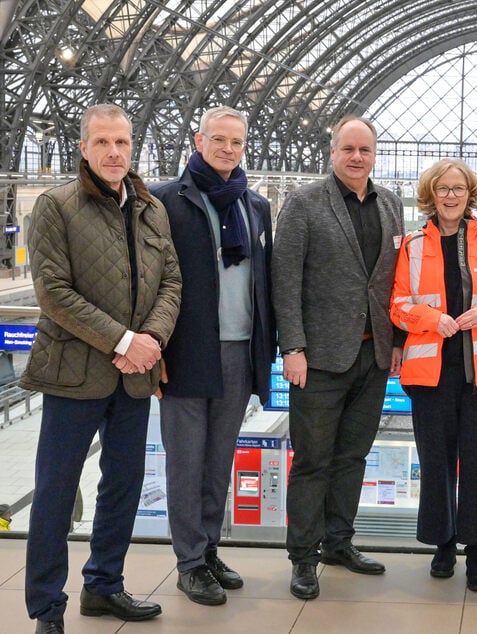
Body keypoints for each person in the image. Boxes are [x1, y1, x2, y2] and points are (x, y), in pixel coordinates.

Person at [21, 104, 181, 634]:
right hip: (73, 374)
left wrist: (151, 339)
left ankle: (104, 586)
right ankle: (47, 607)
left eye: (123, 143)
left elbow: (171, 284)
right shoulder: (55, 206)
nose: (115, 153)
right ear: (84, 148)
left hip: (135, 375)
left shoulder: (151, 208)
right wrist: (123, 339)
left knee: (123, 485)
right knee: (56, 490)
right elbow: (53, 292)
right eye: (103, 143)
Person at [272, 115, 405, 601]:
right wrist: (294, 348)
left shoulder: (391, 204)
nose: (356, 157)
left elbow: (392, 281)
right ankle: (303, 558)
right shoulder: (305, 203)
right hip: (320, 358)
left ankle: (339, 542)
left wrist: (397, 343)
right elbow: (284, 280)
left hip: (373, 356)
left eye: (365, 150)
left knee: (353, 455)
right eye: (348, 148)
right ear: (332, 152)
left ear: (374, 155)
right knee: (312, 460)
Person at [151, 106, 276, 606]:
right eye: (219, 139)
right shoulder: (165, 200)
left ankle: (208, 551)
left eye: (237, 142)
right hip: (185, 349)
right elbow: (152, 279)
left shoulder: (255, 204)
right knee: (185, 460)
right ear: (199, 140)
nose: (228, 149)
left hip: (241, 350)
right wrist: (155, 347)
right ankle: (188, 562)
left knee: (218, 460)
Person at [391, 159, 477, 589]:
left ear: (470, 194)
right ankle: (444, 542)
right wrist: (432, 319)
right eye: (443, 188)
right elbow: (398, 305)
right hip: (431, 374)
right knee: (437, 463)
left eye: (459, 189)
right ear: (431, 193)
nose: (450, 196)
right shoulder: (410, 246)